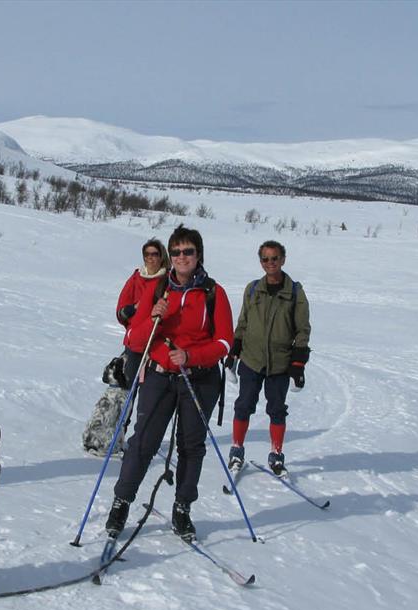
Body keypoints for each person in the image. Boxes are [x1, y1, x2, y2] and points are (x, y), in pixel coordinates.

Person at [105, 225, 234, 542]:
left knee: (191, 446)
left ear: (198, 254)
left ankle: (182, 508)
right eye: (175, 251)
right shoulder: (158, 288)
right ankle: (121, 501)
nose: (181, 257)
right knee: (144, 441)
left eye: (188, 251)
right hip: (161, 375)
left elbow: (224, 342)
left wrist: (191, 356)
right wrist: (152, 319)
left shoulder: (213, 293)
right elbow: (135, 339)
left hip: (199, 378)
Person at [226, 240, 310, 477]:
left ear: (283, 260)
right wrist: (233, 353)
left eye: (274, 258)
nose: (270, 263)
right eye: (265, 259)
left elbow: (302, 329)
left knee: (276, 409)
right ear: (260, 261)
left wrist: (298, 364)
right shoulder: (253, 289)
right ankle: (236, 450)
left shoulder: (294, 292)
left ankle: (276, 455)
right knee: (243, 405)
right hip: (251, 360)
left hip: (280, 364)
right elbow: (243, 323)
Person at [114, 238, 170, 386]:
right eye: (147, 254)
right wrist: (133, 309)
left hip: (156, 344)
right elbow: (121, 309)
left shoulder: (168, 279)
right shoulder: (136, 277)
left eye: (154, 254)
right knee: (127, 388)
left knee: (149, 394)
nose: (150, 257)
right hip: (135, 342)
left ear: (162, 256)